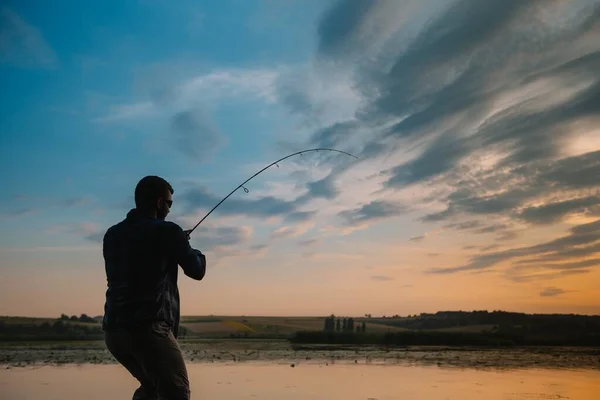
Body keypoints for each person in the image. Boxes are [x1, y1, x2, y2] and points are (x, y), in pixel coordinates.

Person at [102, 175, 206, 400]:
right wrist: (192, 249)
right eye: (169, 204)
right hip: (149, 329)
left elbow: (141, 260)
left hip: (113, 332)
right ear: (159, 203)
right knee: (177, 392)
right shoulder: (168, 231)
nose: (169, 210)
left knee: (151, 388)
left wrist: (175, 243)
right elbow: (196, 270)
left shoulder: (112, 234)